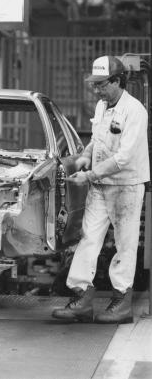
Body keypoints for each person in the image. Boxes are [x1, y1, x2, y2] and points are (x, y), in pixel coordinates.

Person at [52, 55, 150, 323]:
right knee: (88, 238)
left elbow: (124, 158)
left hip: (126, 187)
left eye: (101, 84)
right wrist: (85, 156)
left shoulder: (135, 111)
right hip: (100, 185)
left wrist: (90, 174)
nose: (96, 90)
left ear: (117, 81)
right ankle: (81, 298)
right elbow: (97, 139)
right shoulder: (101, 105)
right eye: (94, 84)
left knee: (125, 245)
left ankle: (121, 301)